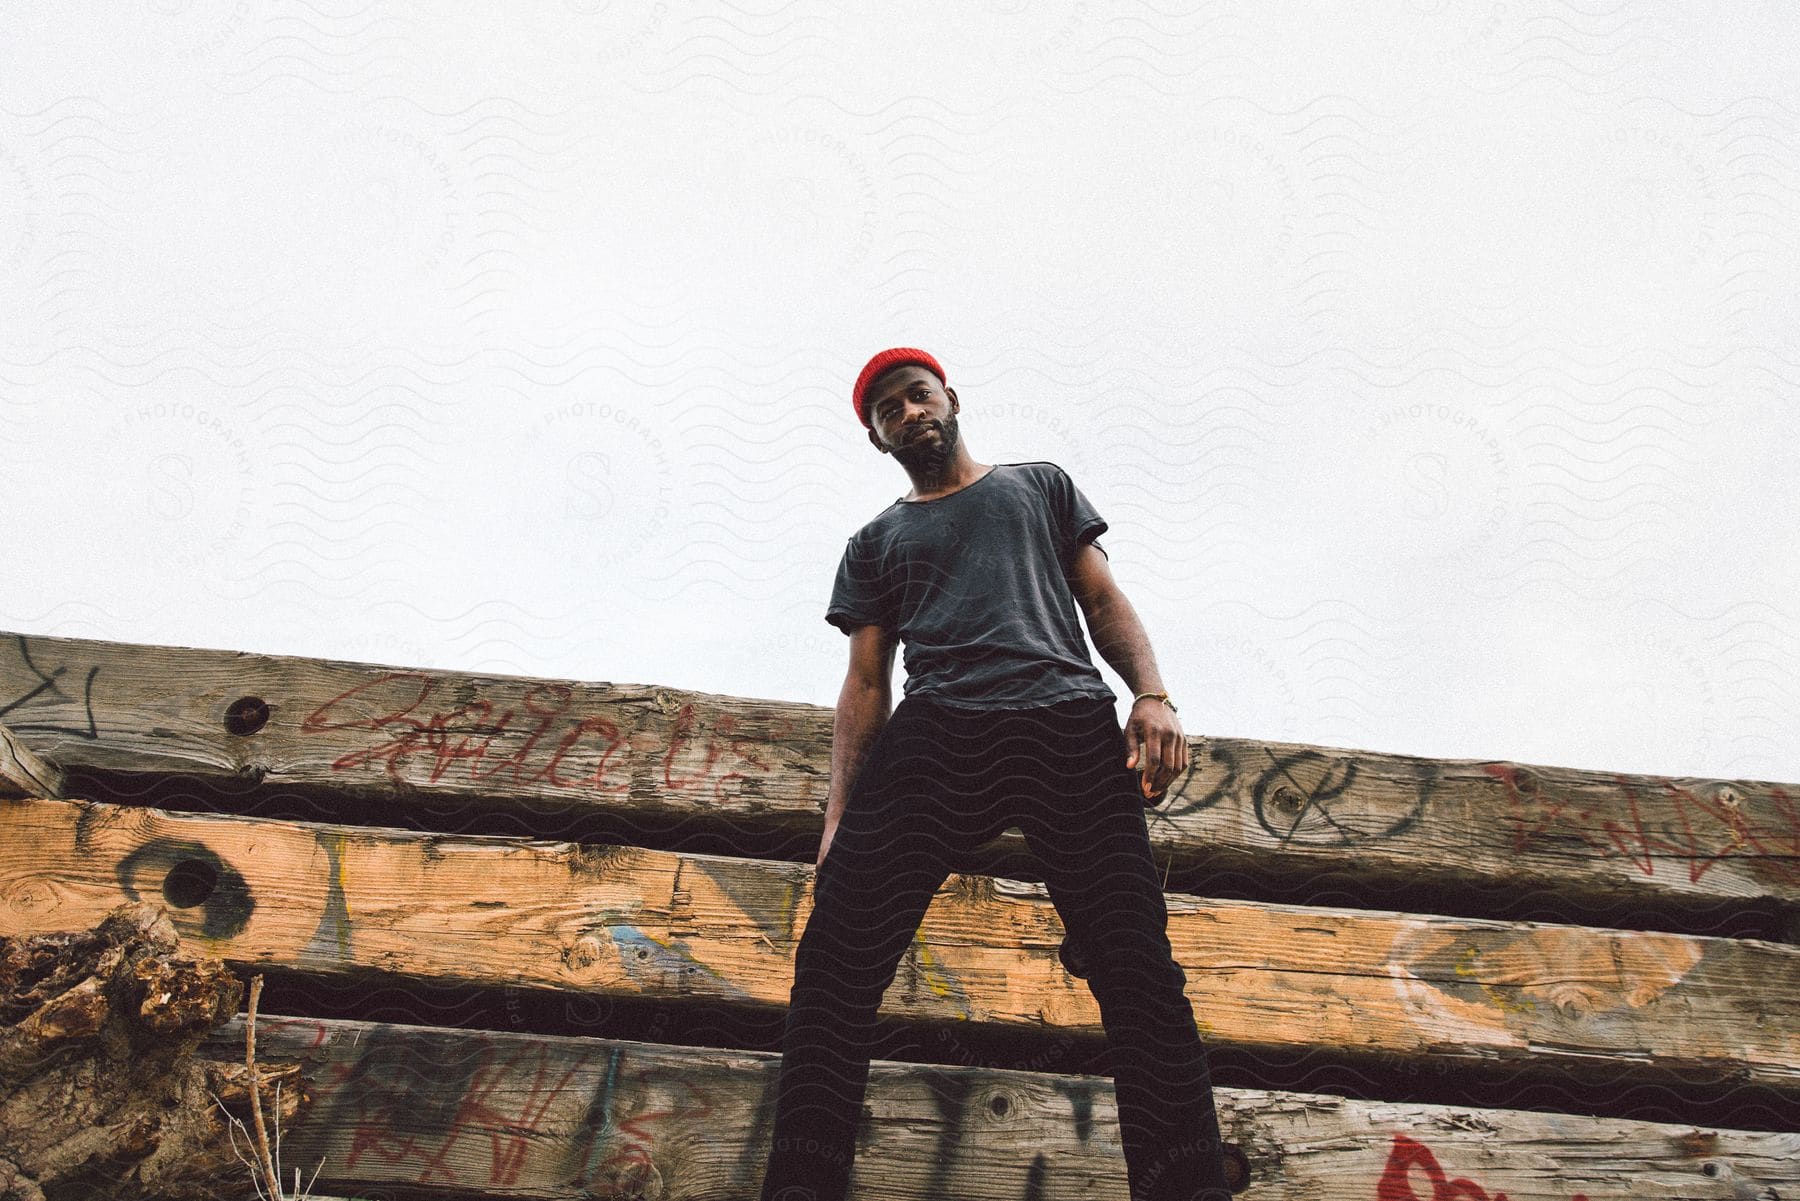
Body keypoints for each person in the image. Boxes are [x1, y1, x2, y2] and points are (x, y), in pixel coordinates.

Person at [757, 348, 1234, 1200]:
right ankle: (801, 1184)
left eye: (918, 395)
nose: (909, 413)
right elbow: (867, 683)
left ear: (951, 399)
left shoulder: (1037, 485)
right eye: (888, 411)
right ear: (876, 438)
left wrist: (1152, 693)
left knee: (1138, 966)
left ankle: (1187, 1186)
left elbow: (1101, 600)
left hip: (1065, 723)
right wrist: (838, 819)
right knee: (834, 952)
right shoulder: (874, 542)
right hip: (941, 735)